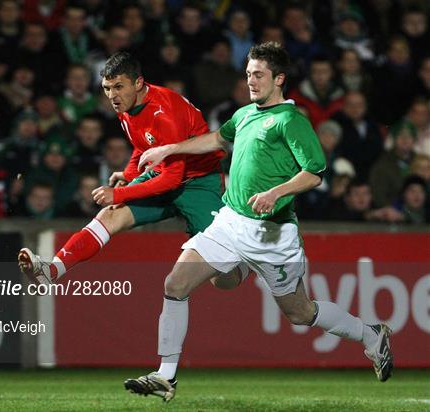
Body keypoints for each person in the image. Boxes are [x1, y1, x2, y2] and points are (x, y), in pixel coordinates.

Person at [125, 42, 393, 402]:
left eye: (259, 74)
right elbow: (218, 139)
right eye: (248, 73)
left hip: (273, 235)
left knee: (300, 313)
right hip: (231, 222)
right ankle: (166, 375)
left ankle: (370, 335)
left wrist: (276, 193)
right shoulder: (245, 114)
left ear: (279, 78)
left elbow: (314, 173)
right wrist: (170, 149)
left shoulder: (291, 121)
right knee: (175, 284)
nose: (251, 80)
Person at [18, 51, 241, 292]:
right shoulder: (127, 105)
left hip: (198, 183)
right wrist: (130, 173)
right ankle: (52, 271)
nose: (112, 96)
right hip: (163, 173)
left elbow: (173, 178)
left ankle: (247, 263)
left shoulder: (164, 113)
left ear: (138, 83)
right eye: (107, 88)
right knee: (109, 215)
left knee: (222, 276)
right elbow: (142, 145)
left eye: (119, 87)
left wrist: (120, 194)